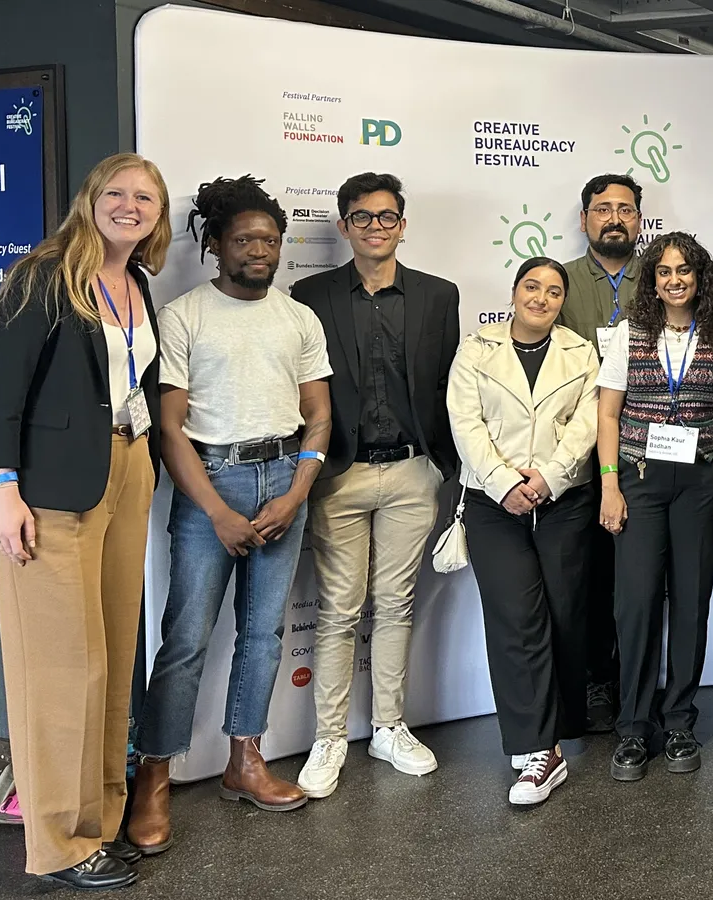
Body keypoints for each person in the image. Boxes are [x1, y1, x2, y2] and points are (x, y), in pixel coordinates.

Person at [0, 152, 170, 891]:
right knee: (60, 668)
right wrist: (2, 488)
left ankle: (103, 819)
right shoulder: (44, 275)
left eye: (144, 197)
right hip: (51, 488)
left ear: (159, 213)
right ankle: (58, 840)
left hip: (127, 469)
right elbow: (1, 394)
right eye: (115, 192)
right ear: (90, 200)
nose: (129, 205)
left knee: (116, 656)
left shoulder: (138, 282)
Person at [129, 176, 333, 851]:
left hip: (284, 480)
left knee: (265, 635)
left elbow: (319, 414)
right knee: (186, 638)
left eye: (270, 240)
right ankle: (154, 775)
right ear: (215, 244)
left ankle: (245, 760)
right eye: (244, 239)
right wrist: (214, 510)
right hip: (209, 481)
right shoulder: (184, 315)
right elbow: (170, 429)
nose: (260, 250)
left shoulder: (298, 318)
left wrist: (297, 492)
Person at [290, 173, 460, 798]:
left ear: (403, 225)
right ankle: (330, 737)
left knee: (396, 606)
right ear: (344, 227)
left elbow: (450, 386)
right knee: (338, 609)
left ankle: (389, 726)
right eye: (362, 218)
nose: (375, 228)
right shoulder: (309, 296)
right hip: (338, 473)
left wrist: (444, 464)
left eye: (387, 217)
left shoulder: (441, 297)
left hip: (415, 472)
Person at [596, 232, 713, 781]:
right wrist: (609, 486)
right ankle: (634, 728)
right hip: (638, 480)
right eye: (664, 271)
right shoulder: (629, 334)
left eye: (685, 270)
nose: (674, 279)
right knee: (635, 605)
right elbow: (608, 416)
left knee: (692, 602)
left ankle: (680, 720)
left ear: (700, 277)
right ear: (652, 280)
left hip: (702, 483)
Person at [448, 257, 599, 805]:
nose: (541, 298)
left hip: (562, 500)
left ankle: (556, 734)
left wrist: (549, 479)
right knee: (515, 618)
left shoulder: (581, 353)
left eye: (554, 291)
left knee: (562, 614)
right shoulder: (476, 348)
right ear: (513, 292)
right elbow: (464, 421)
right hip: (493, 502)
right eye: (531, 287)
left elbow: (587, 424)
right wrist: (501, 481)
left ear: (563, 301)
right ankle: (537, 750)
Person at [558, 173, 643, 734]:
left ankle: (635, 685)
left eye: (626, 209)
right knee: (584, 579)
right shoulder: (558, 281)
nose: (615, 218)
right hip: (575, 456)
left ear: (640, 219)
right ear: (585, 217)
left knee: (635, 582)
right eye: (603, 208)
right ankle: (591, 684)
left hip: (647, 453)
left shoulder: (664, 276)